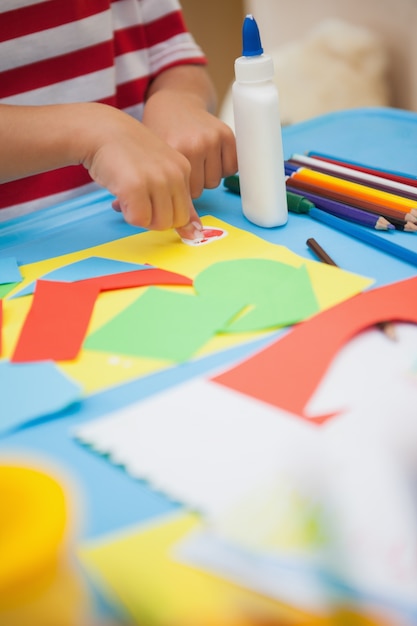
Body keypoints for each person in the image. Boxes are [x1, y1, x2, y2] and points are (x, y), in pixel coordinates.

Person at [0, 1, 237, 239]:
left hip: (141, 226)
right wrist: (91, 133)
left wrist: (179, 98)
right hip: (20, 242)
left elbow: (176, 59)